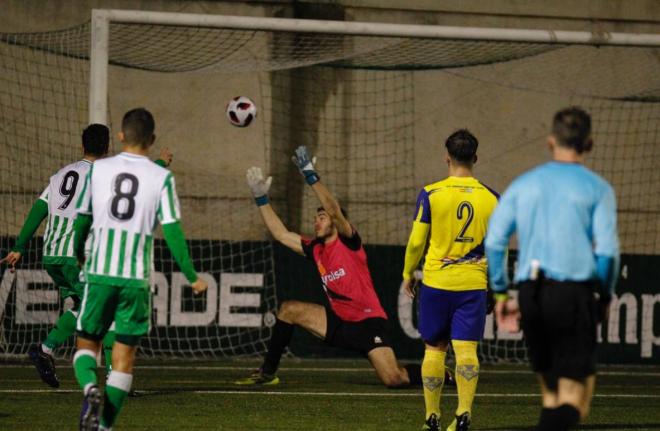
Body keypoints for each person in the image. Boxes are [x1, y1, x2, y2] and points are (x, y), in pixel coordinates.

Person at [0, 124, 171, 387]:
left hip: (53, 256)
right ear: (107, 149)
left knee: (82, 308)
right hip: (79, 257)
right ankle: (115, 379)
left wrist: (19, 246)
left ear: (82, 146)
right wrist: (162, 161)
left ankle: (45, 351)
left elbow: (39, 208)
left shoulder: (61, 175)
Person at [236, 145, 421, 388]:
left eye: (321, 217)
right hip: (339, 324)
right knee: (289, 309)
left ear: (334, 222)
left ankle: (438, 373)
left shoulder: (349, 241)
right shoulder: (315, 249)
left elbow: (333, 209)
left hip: (368, 324)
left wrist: (310, 175)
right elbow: (281, 235)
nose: (317, 221)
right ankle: (267, 372)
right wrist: (261, 199)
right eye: (316, 218)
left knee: (395, 379)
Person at [72, 108, 207, 430]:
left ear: (120, 136)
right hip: (136, 279)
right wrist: (191, 276)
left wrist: (79, 253)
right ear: (152, 140)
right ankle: (104, 427)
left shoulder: (100, 170)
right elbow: (173, 233)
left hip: (101, 271)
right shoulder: (162, 177)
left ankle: (91, 389)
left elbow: (82, 219)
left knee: (86, 345)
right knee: (124, 360)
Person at [485, 107, 619, 431]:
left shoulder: (524, 184)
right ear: (588, 143)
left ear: (550, 142)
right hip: (572, 293)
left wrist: (501, 291)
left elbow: (494, 241)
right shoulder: (597, 188)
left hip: (530, 293)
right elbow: (608, 251)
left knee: (551, 395)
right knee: (577, 399)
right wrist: (604, 296)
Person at [401, 129, 499, 431]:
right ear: (476, 158)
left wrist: (408, 273)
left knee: (434, 349)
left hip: (436, 284)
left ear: (447, 157)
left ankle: (431, 417)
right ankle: (463, 413)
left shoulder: (431, 193)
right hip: (472, 284)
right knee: (466, 350)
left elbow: (417, 241)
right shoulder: (493, 198)